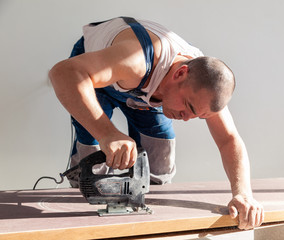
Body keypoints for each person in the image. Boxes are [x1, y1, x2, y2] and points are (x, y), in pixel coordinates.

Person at [49, 16, 264, 229]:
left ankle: (144, 224)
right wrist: (107, 133)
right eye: (188, 108)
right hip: (97, 70)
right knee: (92, 152)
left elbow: (229, 139)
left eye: (196, 115)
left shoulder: (207, 87)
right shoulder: (136, 61)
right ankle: (85, 224)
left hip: (147, 87)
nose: (186, 118)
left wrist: (243, 194)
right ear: (180, 73)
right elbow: (63, 73)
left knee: (160, 158)